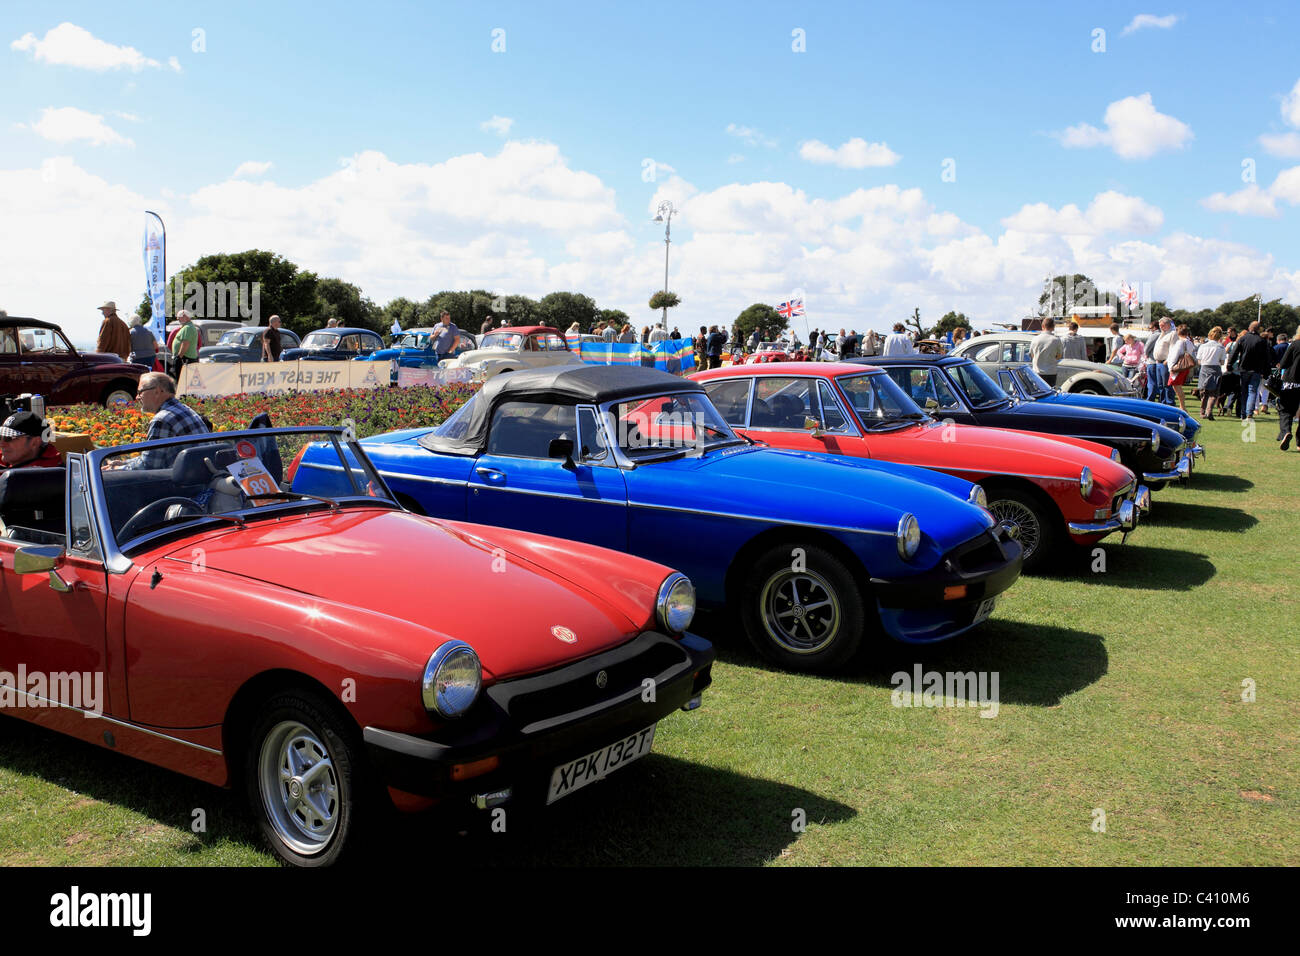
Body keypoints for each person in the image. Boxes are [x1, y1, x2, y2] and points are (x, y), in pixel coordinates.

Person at [118, 373, 210, 470]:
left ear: (157, 392)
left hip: (186, 482)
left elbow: (149, 466)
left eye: (140, 392)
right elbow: (153, 457)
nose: (137, 397)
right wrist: (124, 463)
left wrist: (116, 469)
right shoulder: (184, 409)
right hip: (199, 476)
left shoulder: (162, 419)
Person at [1228, 320, 1272, 420]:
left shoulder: (1243, 339)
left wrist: (1229, 365)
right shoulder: (1262, 341)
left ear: (1249, 328)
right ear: (1259, 329)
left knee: (1244, 392)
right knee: (1253, 391)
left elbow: (1234, 353)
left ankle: (1243, 413)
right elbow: (1266, 358)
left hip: (1244, 369)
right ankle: (1249, 413)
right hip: (1256, 370)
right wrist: (1266, 372)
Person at [1276, 325, 1300, 450]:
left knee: (1285, 410)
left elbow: (1284, 363)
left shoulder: (1294, 344)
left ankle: (1286, 432)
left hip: (1291, 381)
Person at [1195, 327, 1226, 420]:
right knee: (1214, 393)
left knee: (1204, 392)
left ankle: (1202, 411)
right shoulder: (1220, 347)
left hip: (1204, 368)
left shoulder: (1203, 346)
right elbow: (1222, 362)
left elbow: (1199, 360)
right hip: (1215, 369)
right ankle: (1209, 411)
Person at [1165, 323, 1195, 412]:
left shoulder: (1179, 342)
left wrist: (1171, 367)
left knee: (1177, 387)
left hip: (1177, 367)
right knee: (1178, 387)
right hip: (1184, 366)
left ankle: (1182, 406)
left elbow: (1174, 356)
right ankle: (1182, 406)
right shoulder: (1189, 342)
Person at [1031, 318, 1065, 387]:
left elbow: (1032, 355)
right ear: (1053, 327)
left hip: (1037, 372)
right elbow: (1059, 356)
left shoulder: (1035, 339)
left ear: (1042, 326)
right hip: (1051, 372)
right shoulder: (1056, 340)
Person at [171, 309, 200, 377]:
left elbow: (185, 343)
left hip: (186, 359)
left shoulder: (188, 328)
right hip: (186, 358)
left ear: (185, 316)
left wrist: (179, 357)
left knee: (182, 380)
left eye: (179, 317)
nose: (178, 319)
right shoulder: (188, 327)